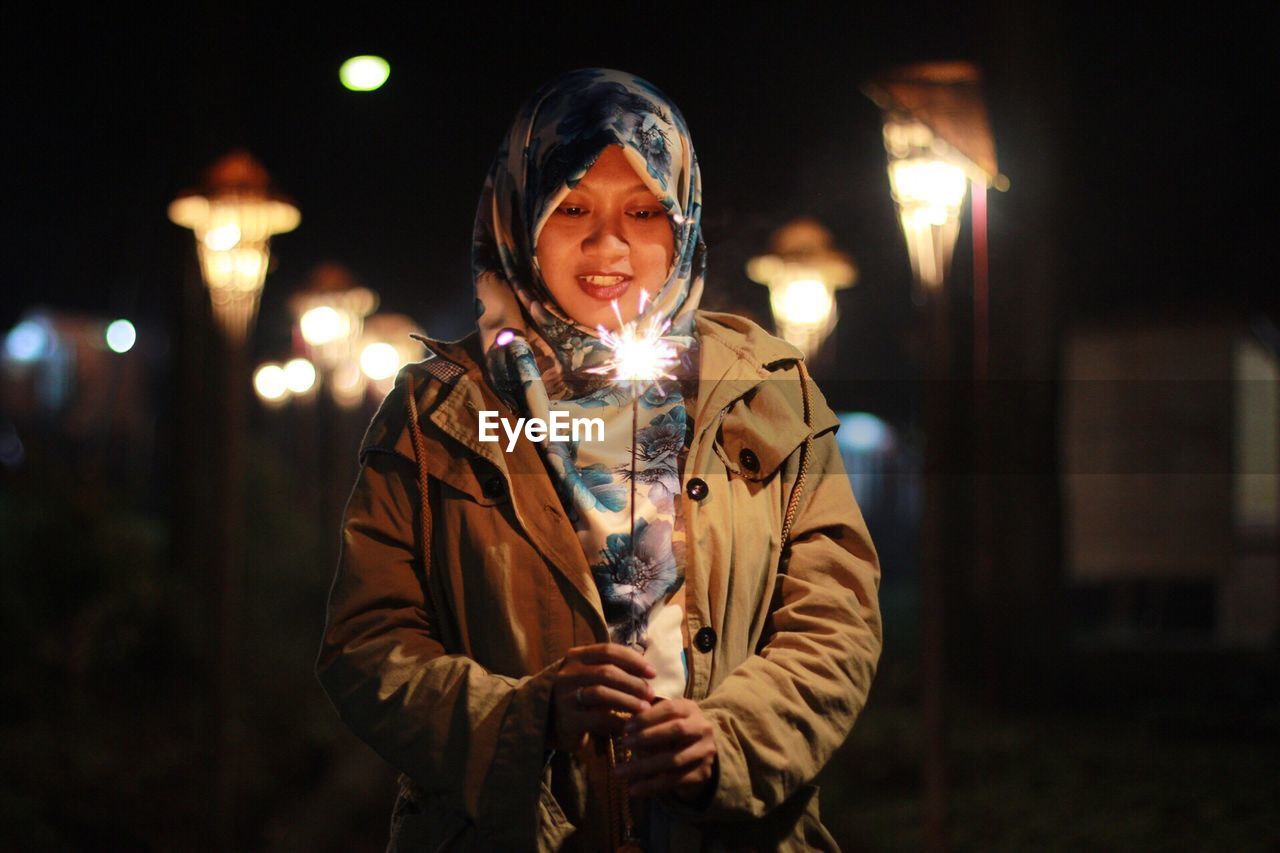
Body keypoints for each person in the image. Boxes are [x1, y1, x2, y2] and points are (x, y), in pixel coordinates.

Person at [316, 68, 883, 852]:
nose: (607, 243)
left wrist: (734, 739)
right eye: (572, 206)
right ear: (519, 216)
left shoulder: (766, 392)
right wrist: (525, 716)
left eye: (642, 209)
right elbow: (368, 644)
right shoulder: (438, 411)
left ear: (681, 221)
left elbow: (837, 617)